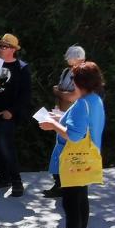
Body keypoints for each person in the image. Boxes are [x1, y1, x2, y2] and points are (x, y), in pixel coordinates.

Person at [38, 62, 106, 228]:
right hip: (88, 159)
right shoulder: (95, 100)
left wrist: (52, 125)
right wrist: (61, 117)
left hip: (74, 160)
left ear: (78, 82)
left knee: (70, 204)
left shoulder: (82, 103)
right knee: (81, 199)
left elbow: (74, 135)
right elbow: (85, 125)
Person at [0, 33, 31, 197]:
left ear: (12, 49)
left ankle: (16, 181)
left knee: (7, 147)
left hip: (9, 115)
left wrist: (12, 111)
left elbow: (25, 94)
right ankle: (4, 177)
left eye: (3, 47)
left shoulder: (22, 68)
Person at [42, 45, 86, 198]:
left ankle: (69, 186)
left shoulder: (84, 74)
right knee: (58, 152)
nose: (69, 60)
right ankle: (59, 183)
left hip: (74, 118)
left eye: (71, 57)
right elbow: (62, 93)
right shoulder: (66, 72)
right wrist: (59, 98)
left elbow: (72, 96)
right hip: (61, 113)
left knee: (70, 152)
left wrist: (58, 92)